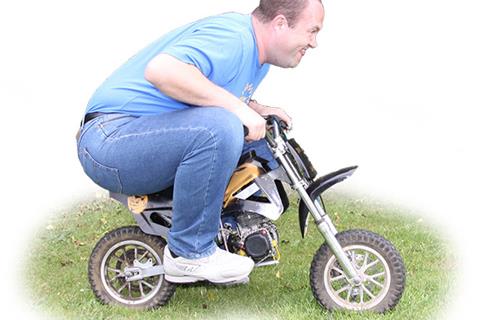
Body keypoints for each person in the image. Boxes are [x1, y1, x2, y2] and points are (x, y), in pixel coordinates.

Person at [77, 0, 324, 284]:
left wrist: (254, 108)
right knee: (222, 127)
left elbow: (207, 92)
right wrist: (239, 110)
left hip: (130, 135)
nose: (314, 42)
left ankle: (227, 237)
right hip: (111, 139)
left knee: (244, 136)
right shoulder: (234, 38)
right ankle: (189, 253)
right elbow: (162, 70)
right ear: (280, 23)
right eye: (312, 31)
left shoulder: (256, 56)